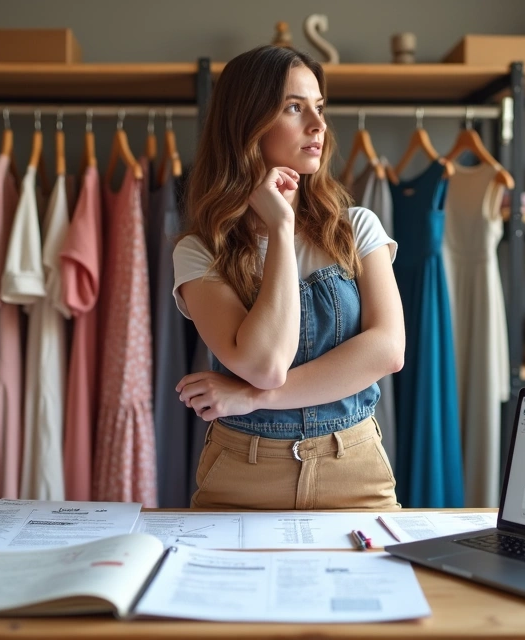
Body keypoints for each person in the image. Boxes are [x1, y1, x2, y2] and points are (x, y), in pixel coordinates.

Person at [172, 45, 405, 510]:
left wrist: (250, 399)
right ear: (247, 122)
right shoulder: (201, 252)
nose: (317, 124)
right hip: (242, 473)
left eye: (318, 107)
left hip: (354, 468)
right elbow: (264, 365)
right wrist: (280, 227)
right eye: (294, 108)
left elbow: (387, 350)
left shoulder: (357, 228)